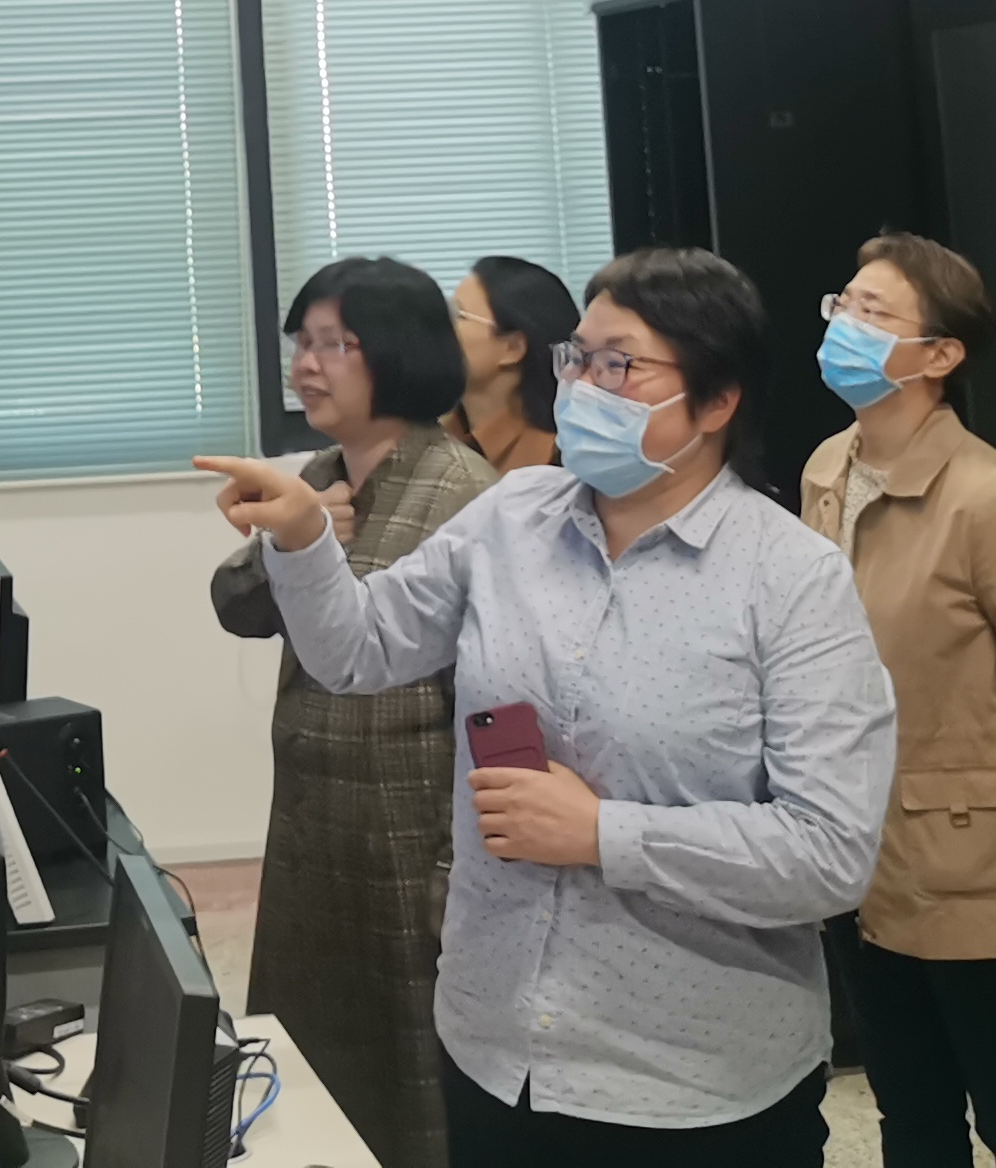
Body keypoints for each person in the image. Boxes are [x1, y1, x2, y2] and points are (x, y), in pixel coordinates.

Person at [197, 247, 896, 1168]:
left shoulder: (791, 579)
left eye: (621, 365)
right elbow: (358, 651)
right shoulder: (514, 516)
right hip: (495, 1049)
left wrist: (604, 833)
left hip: (692, 1082)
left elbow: (830, 853)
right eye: (578, 358)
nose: (583, 386)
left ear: (717, 401)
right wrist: (301, 538)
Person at [797, 234, 996, 1168]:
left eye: (874, 313)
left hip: (978, 853)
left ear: (940, 355)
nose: (845, 326)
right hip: (859, 842)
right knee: (911, 1111)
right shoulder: (827, 467)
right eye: (842, 304)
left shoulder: (989, 497)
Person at [211, 258, 497, 1168]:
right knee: (310, 1075)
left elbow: (498, 701)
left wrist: (458, 875)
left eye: (334, 344)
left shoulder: (463, 491)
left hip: (414, 847)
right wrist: (293, 543)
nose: (306, 363)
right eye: (302, 342)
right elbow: (235, 605)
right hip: (314, 831)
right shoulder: (322, 474)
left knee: (412, 1095)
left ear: (400, 353)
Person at [451, 257, 580, 473]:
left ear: (512, 348)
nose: (438, 326)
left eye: (458, 314)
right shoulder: (420, 439)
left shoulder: (560, 465)